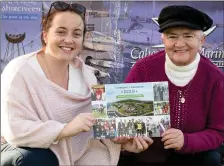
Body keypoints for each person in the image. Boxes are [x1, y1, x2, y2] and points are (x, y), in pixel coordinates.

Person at [1, 1, 153, 166]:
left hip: (77, 151)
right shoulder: (19, 71)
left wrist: (122, 142)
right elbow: (14, 130)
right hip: (21, 149)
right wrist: (65, 129)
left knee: (98, 159)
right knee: (39, 159)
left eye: (76, 34)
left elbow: (94, 129)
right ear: (45, 35)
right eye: (61, 31)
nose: (68, 40)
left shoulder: (87, 76)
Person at [118, 5, 224, 166]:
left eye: (188, 36)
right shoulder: (143, 69)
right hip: (146, 157)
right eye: (172, 36)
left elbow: (217, 132)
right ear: (163, 39)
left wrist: (187, 141)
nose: (179, 44)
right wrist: (129, 136)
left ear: (201, 40)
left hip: (194, 159)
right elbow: (122, 118)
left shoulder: (214, 78)